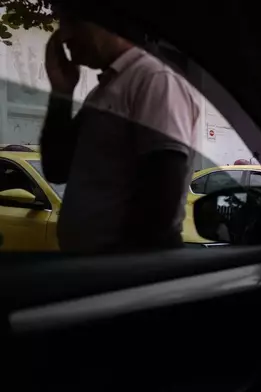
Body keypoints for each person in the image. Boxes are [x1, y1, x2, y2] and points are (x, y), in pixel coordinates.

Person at [40, 7, 200, 253]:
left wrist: (119, 268)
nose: (64, 36)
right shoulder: (105, 90)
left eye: (73, 20)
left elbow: (161, 199)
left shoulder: (154, 80)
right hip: (98, 268)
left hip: (125, 272)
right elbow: (57, 168)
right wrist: (61, 93)